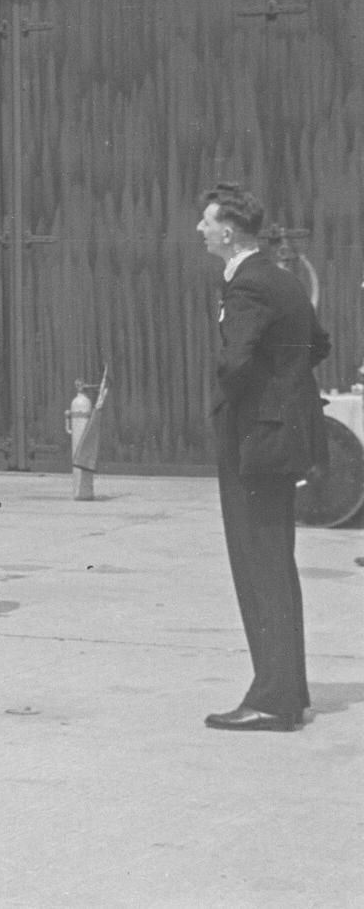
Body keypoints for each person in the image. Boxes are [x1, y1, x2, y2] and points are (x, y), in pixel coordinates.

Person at [196, 182, 329, 731]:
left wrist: (240, 404)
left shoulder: (247, 285)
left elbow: (236, 361)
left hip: (257, 443)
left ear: (229, 232)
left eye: (205, 222)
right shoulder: (281, 278)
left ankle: (273, 700)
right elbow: (318, 345)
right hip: (284, 438)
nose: (199, 229)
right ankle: (286, 690)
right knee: (275, 563)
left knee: (259, 566)